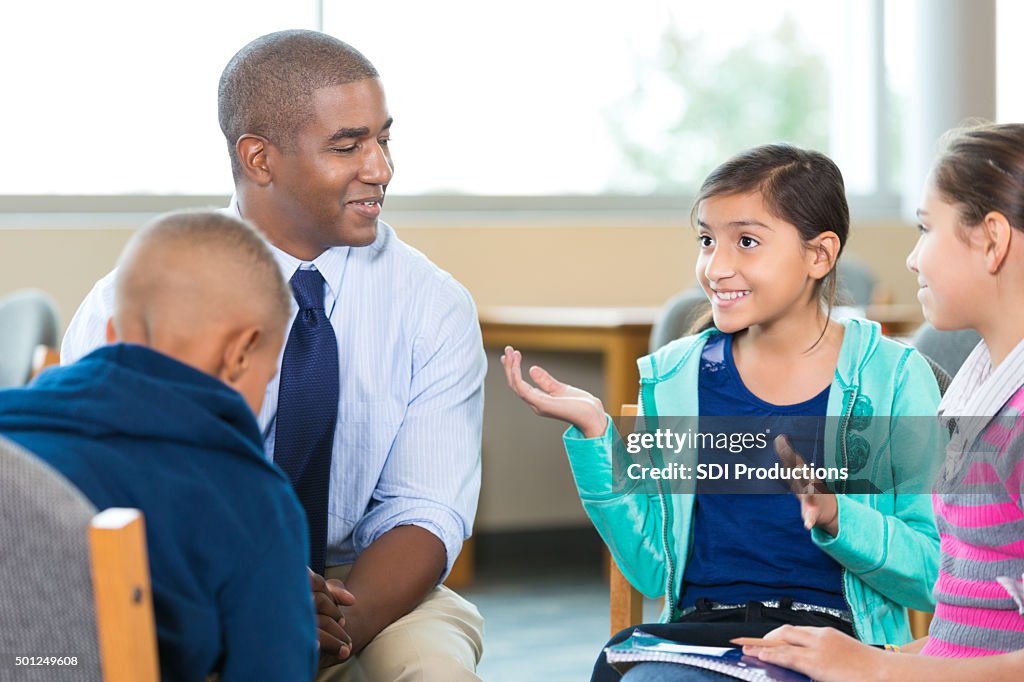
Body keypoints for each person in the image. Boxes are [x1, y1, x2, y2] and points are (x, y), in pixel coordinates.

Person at [60, 30, 486, 681]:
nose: (380, 169)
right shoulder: (135, 296)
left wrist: (321, 626)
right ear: (259, 159)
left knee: (436, 672)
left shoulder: (434, 305)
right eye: (348, 145)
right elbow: (106, 496)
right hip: (185, 575)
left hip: (362, 585)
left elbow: (425, 511)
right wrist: (251, 603)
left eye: (384, 139)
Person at [502, 144, 945, 682]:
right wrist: (597, 436)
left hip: (837, 648)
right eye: (707, 240)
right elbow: (652, 568)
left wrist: (837, 516)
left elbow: (932, 574)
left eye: (747, 241)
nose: (716, 266)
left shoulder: (895, 379)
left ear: (819, 255)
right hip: (703, 643)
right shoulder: (673, 380)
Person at [740, 124, 1024, 681]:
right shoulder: (981, 386)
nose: (914, 259)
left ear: (991, 239)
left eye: (925, 229)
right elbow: (975, 633)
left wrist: (878, 671)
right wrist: (870, 657)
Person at [0, 211, 317, 682]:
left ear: (111, 335)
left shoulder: (11, 432)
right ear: (240, 354)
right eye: (265, 379)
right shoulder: (253, 501)